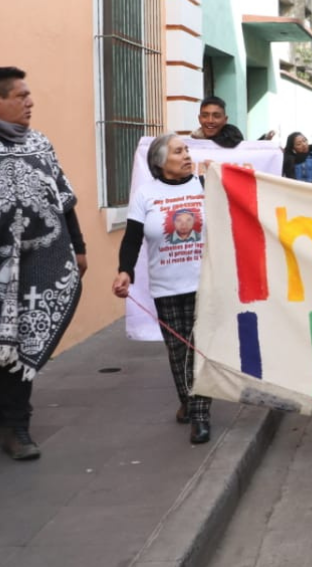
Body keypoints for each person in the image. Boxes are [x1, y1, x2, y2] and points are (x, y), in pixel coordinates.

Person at [0, 67, 87, 460]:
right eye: (22, 96)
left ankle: (18, 428)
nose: (30, 102)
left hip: (36, 264)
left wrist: (77, 246)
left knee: (21, 336)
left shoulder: (39, 143)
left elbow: (62, 197)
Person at [112, 133, 212, 443]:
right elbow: (131, 239)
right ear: (160, 162)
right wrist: (124, 271)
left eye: (186, 150)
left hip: (204, 283)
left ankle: (200, 415)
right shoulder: (146, 194)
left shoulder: (206, 185)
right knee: (177, 350)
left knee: (199, 348)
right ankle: (187, 400)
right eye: (178, 152)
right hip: (165, 286)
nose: (186, 156)